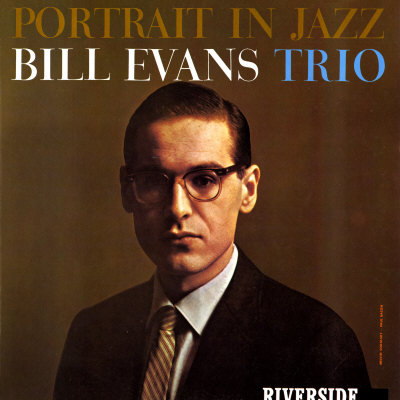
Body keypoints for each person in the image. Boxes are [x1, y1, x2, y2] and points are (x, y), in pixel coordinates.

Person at [54, 82, 370, 400]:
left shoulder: (318, 342)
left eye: (204, 180)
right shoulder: (92, 332)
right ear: (127, 191)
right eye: (152, 181)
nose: (177, 208)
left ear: (248, 190)